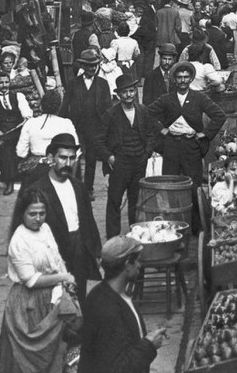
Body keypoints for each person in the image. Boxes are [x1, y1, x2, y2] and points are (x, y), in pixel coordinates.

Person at [0, 191, 78, 373]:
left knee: (54, 353)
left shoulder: (46, 229)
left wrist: (66, 280)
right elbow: (30, 280)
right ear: (22, 213)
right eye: (32, 214)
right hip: (28, 304)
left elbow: (56, 259)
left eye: (42, 213)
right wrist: (62, 277)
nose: (38, 218)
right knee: (28, 359)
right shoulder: (19, 240)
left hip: (51, 296)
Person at [77, 237, 169, 373]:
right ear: (127, 264)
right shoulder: (108, 311)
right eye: (137, 261)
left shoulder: (102, 294)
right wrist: (149, 345)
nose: (140, 266)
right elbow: (116, 370)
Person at [17, 134, 100, 298]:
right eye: (62, 158)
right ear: (50, 158)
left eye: (72, 158)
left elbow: (88, 221)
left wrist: (96, 252)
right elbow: (24, 228)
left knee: (79, 300)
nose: (67, 164)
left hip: (79, 250)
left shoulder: (78, 187)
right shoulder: (37, 190)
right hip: (52, 254)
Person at [146, 62, 226, 196]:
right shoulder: (166, 99)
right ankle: (174, 215)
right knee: (170, 184)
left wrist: (205, 134)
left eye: (186, 77)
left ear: (191, 79)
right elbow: (147, 114)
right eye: (179, 77)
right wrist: (161, 129)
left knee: (194, 185)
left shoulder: (199, 98)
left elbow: (219, 116)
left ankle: (195, 216)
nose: (182, 80)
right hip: (171, 146)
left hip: (191, 146)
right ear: (174, 79)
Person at [99, 72, 154, 238]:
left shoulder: (143, 110)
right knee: (115, 200)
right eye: (124, 92)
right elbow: (98, 140)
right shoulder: (111, 114)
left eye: (131, 91)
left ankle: (134, 235)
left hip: (139, 162)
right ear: (118, 94)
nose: (128, 95)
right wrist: (109, 157)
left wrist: (146, 153)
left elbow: (151, 134)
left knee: (135, 201)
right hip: (120, 163)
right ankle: (113, 238)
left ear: (136, 91)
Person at [63, 49, 113, 197]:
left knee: (91, 158)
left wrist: (107, 128)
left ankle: (88, 189)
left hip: (95, 127)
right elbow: (65, 105)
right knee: (76, 157)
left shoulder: (103, 84)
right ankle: (77, 187)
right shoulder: (73, 83)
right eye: (90, 65)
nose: (93, 68)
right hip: (76, 126)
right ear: (83, 66)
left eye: (95, 65)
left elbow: (108, 108)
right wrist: (61, 123)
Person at [0, 73, 32, 195]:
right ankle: (10, 182)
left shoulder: (18, 96)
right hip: (0, 133)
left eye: (6, 82)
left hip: (18, 132)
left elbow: (28, 115)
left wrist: (22, 125)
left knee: (24, 128)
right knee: (7, 149)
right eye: (1, 83)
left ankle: (1, 142)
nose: (4, 85)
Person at [14, 88, 79, 172]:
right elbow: (76, 151)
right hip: (59, 167)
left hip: (35, 168)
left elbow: (21, 152)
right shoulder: (66, 123)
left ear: (41, 106)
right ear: (59, 106)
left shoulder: (31, 123)